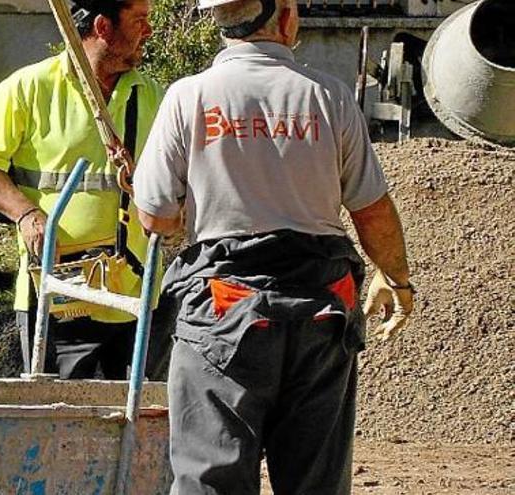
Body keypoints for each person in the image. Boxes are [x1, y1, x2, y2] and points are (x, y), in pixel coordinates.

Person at [132, 0, 415, 493]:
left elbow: (156, 216)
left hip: (223, 309)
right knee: (315, 481)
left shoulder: (188, 97)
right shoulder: (329, 97)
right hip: (321, 308)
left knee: (211, 478)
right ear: (283, 16)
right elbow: (371, 211)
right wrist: (397, 279)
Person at [0, 0, 164, 379]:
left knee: (132, 418)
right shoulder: (30, 88)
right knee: (62, 419)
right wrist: (26, 213)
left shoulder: (152, 96)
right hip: (58, 295)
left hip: (135, 295)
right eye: (139, 21)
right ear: (103, 27)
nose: (148, 31)